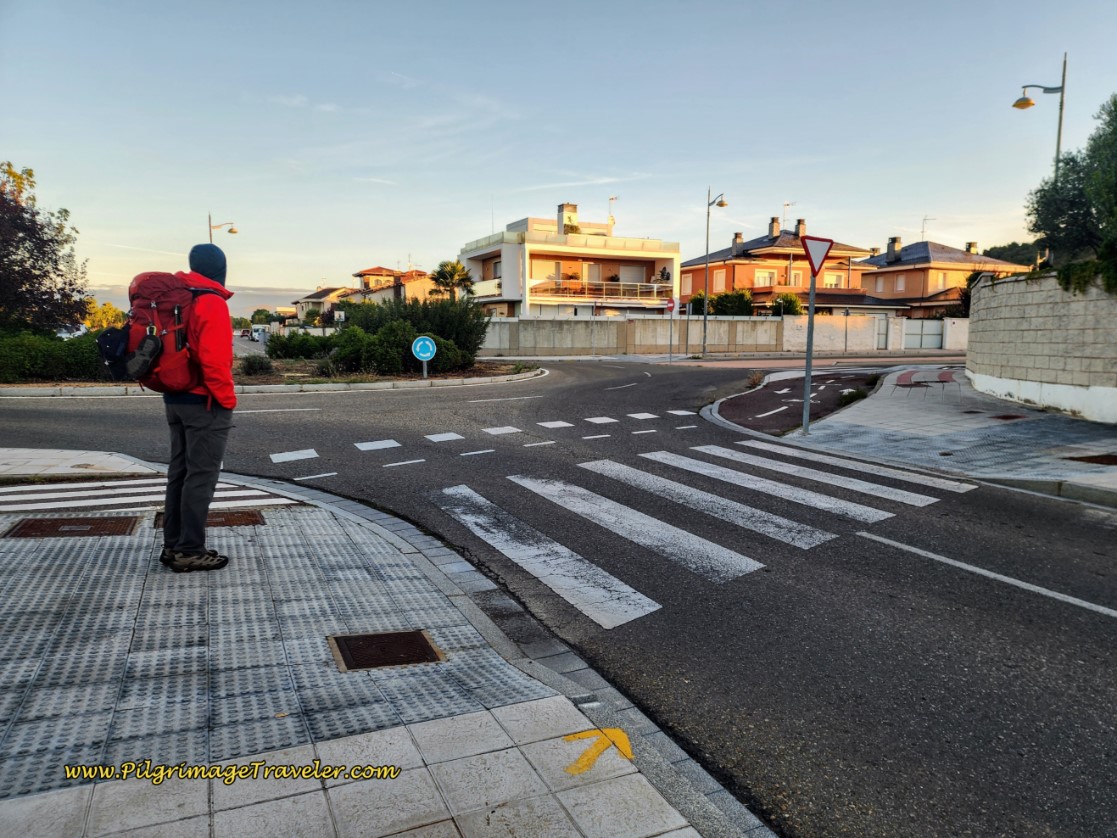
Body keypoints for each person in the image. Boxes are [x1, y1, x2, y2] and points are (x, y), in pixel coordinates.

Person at [160, 243, 237, 572]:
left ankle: (173, 545)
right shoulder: (210, 302)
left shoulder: (180, 298)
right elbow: (214, 360)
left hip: (174, 397)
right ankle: (190, 550)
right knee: (201, 478)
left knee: (179, 473)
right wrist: (227, 399)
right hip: (203, 400)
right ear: (220, 268)